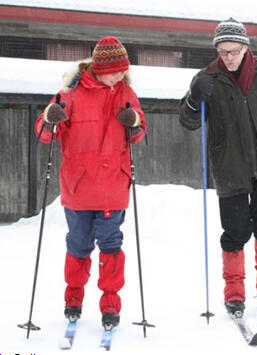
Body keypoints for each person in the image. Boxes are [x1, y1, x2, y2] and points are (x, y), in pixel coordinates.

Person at [179, 18, 257, 316]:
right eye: (223, 51)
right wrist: (195, 98)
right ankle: (234, 293)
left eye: (234, 50)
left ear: (246, 47)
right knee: (234, 233)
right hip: (230, 168)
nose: (229, 57)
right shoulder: (207, 77)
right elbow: (187, 121)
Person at [35, 36, 146, 329]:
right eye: (114, 70)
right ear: (98, 68)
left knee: (111, 244)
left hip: (113, 188)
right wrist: (50, 119)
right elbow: (44, 133)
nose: (119, 76)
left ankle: (111, 304)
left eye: (123, 70)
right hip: (79, 187)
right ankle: (73, 298)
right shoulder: (71, 93)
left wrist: (134, 120)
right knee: (79, 244)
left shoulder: (127, 93)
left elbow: (139, 134)